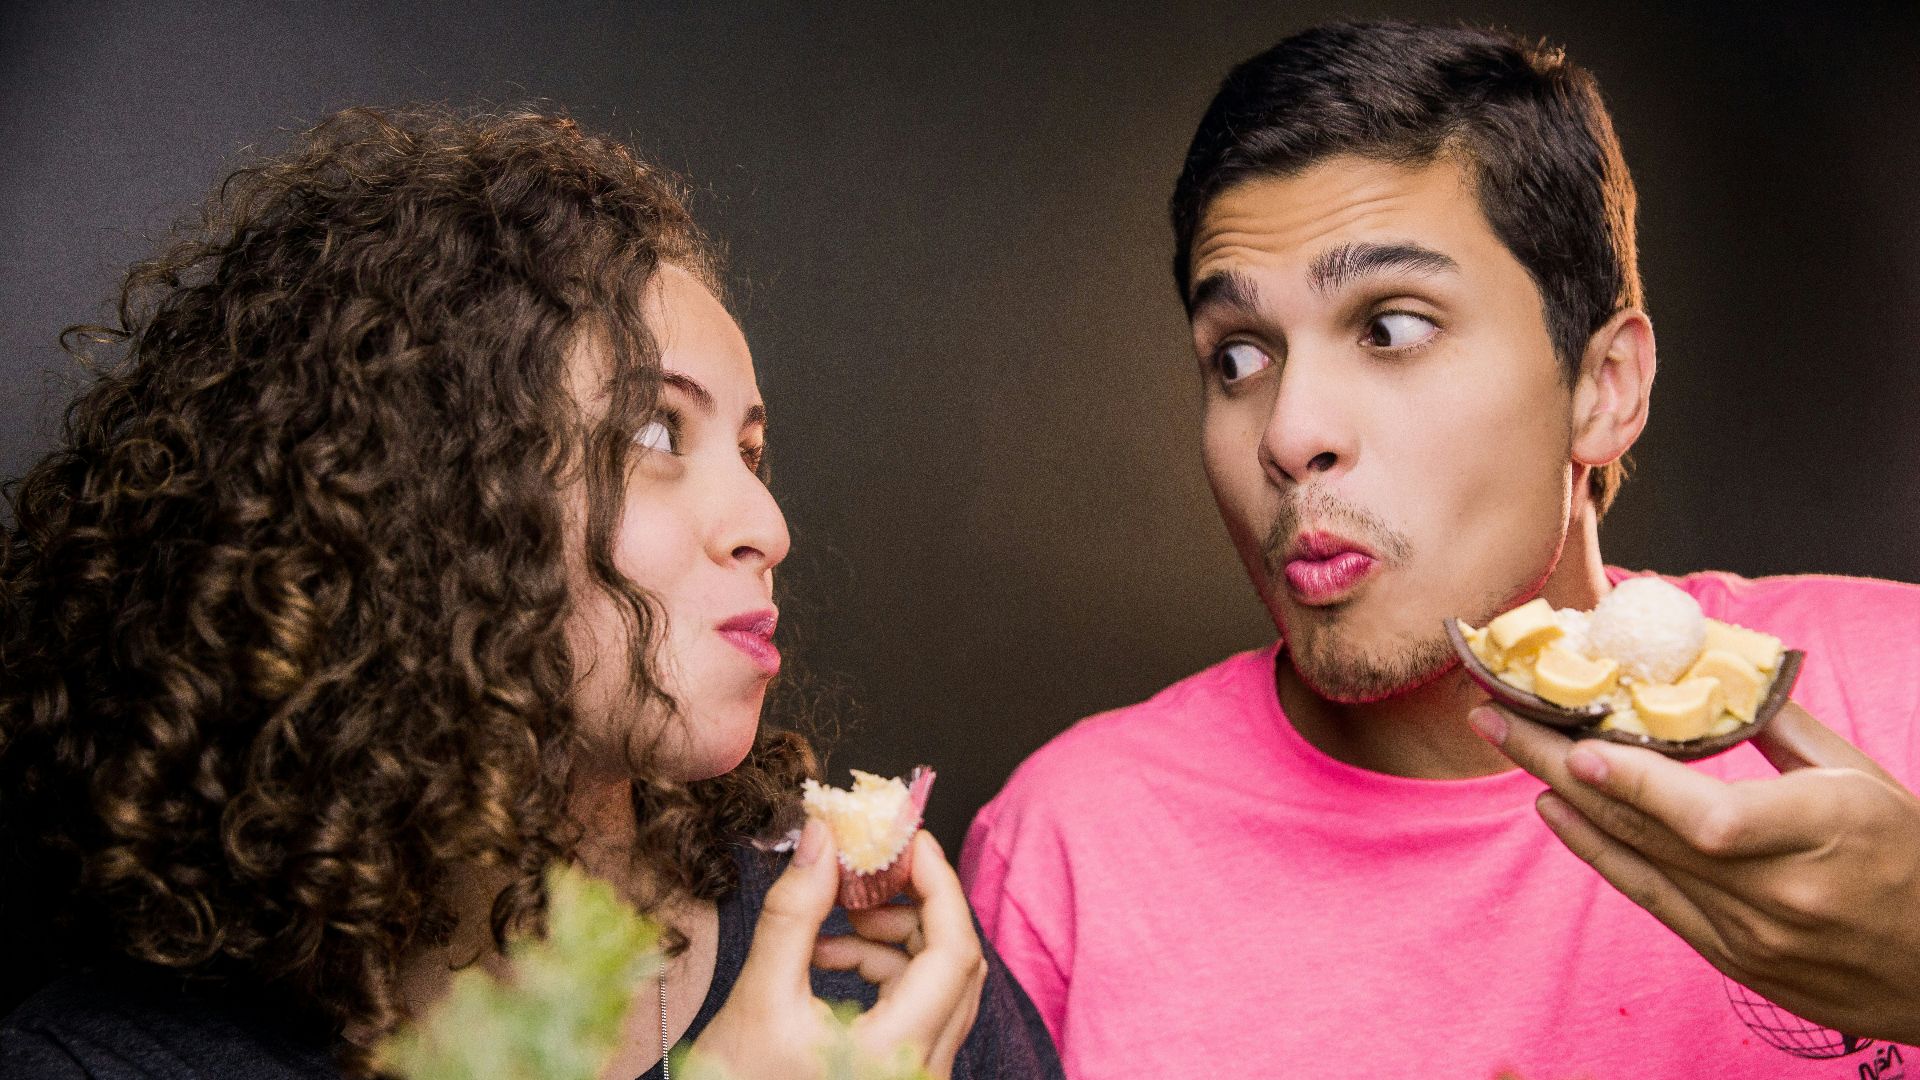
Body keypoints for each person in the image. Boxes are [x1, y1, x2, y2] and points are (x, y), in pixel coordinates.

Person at [0, 106, 1060, 1080]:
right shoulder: (114, 1062)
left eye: (751, 452)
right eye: (654, 432)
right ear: (423, 495)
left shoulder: (874, 985)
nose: (768, 528)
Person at [961, 20, 1920, 1079]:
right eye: (1238, 355)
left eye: (1393, 328)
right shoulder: (1068, 851)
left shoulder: (1895, 693)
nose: (1288, 433)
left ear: (1604, 391)